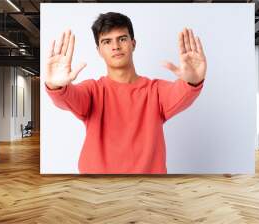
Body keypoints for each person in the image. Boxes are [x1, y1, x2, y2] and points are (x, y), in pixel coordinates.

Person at [45, 12, 207, 174]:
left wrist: (192, 80)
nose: (115, 46)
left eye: (122, 39)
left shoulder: (155, 91)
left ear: (133, 43)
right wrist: (55, 85)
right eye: (107, 41)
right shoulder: (92, 91)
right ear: (99, 50)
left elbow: (182, 93)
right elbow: (67, 97)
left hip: (147, 191)